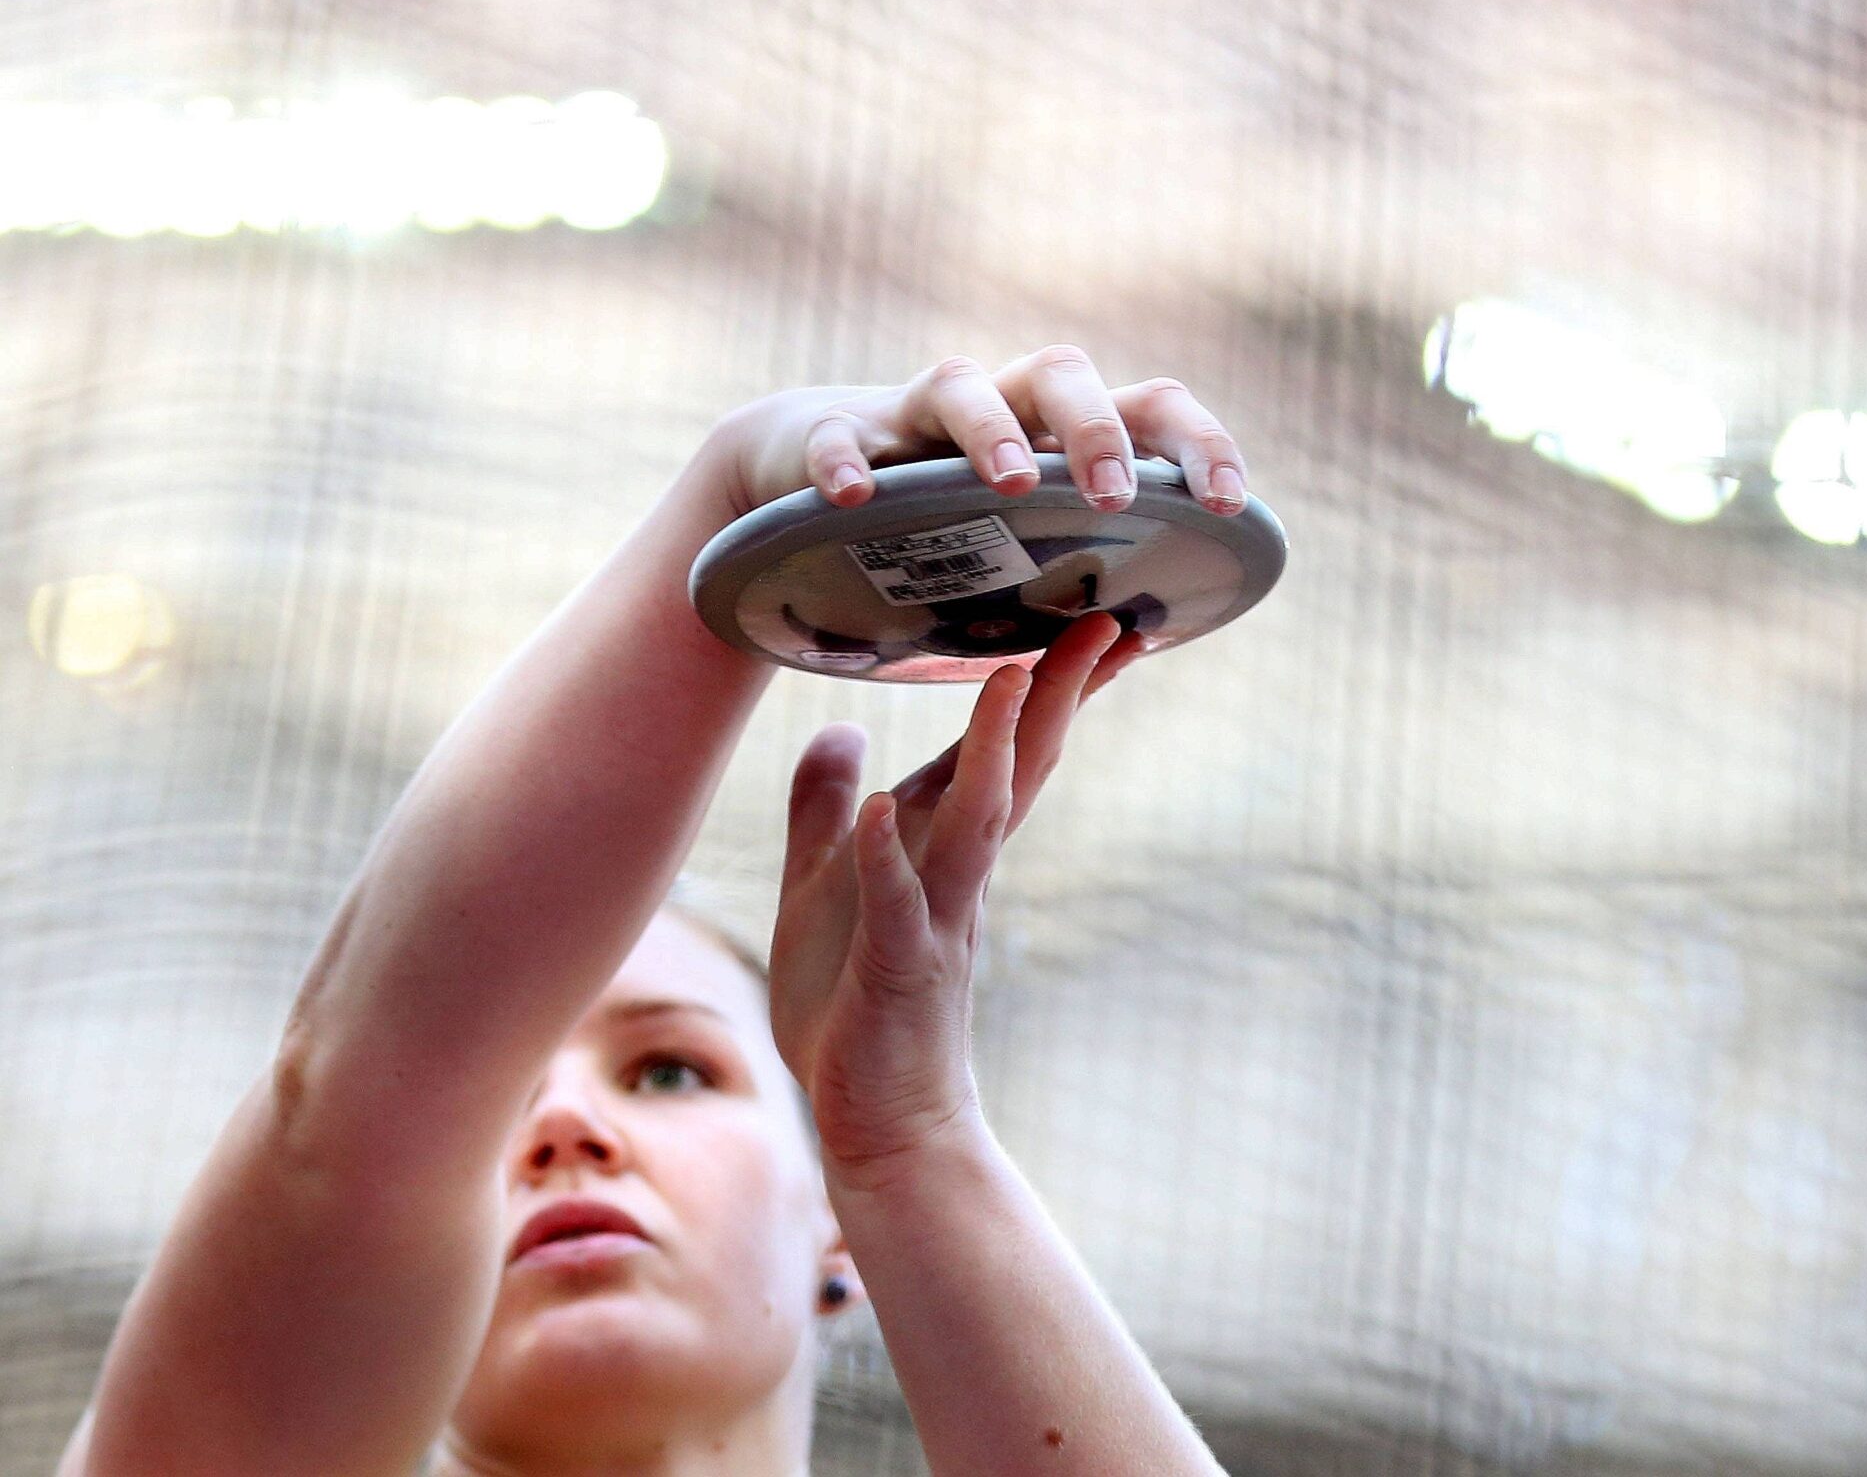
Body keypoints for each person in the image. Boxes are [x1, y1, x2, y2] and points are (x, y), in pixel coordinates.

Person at [56, 346, 1251, 1475]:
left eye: (671, 1071)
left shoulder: (889, 1159)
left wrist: (907, 1139)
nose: (564, 1129)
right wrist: (740, 498)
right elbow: (368, 1109)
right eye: (493, 1106)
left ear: (831, 1225)